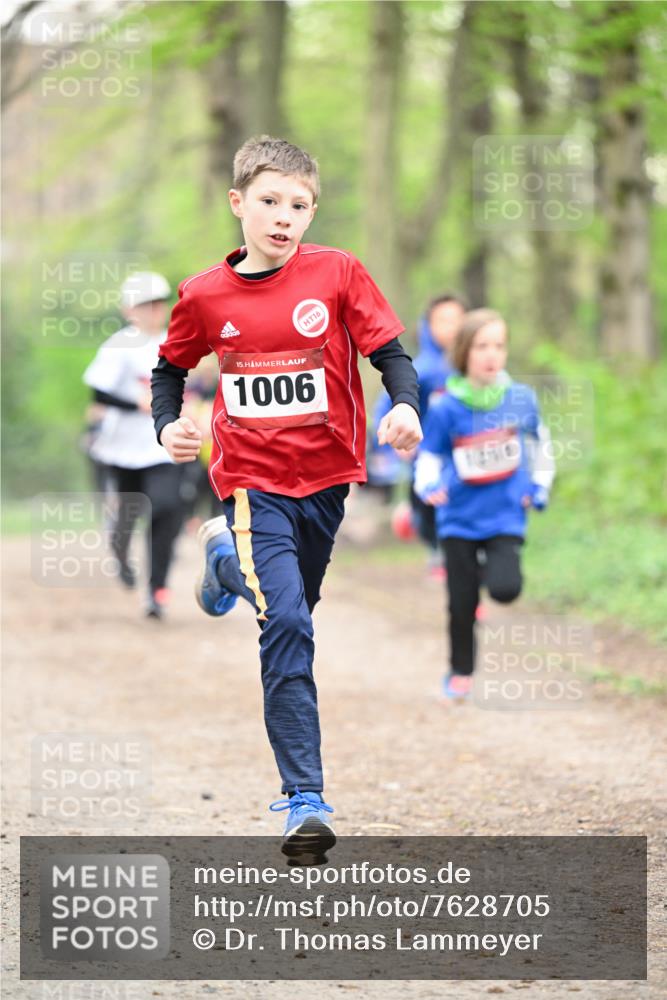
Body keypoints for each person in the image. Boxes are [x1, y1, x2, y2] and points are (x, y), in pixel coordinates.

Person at [150, 136, 422, 861]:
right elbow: (169, 370)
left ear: (312, 212)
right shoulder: (205, 294)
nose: (283, 217)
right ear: (238, 202)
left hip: (328, 480)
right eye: (269, 201)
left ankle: (223, 562)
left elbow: (391, 354)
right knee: (290, 625)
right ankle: (305, 799)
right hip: (250, 481)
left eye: (298, 205)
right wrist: (170, 425)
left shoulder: (337, 273)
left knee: (294, 602)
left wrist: (405, 407)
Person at [414, 308, 555, 700]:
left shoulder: (521, 399)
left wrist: (540, 486)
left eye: (499, 346)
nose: (492, 355)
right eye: (482, 347)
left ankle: (487, 578)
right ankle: (460, 671)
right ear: (464, 353)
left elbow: (540, 446)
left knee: (506, 588)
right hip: (458, 518)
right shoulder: (445, 406)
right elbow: (430, 456)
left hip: (506, 511)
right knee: (461, 604)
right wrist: (428, 487)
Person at [83, 271, 184, 619]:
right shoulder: (119, 345)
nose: (153, 310)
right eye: (145, 304)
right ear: (129, 310)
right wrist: (136, 405)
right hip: (122, 446)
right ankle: (120, 548)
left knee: (167, 508)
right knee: (129, 512)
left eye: (158, 303)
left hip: (162, 445)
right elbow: (98, 391)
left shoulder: (175, 342)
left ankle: (157, 589)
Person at [370, 294, 467, 571]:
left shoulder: (475, 369)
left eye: (459, 320)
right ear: (428, 326)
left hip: (464, 454)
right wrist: (395, 445)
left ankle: (462, 549)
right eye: (444, 321)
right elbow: (385, 407)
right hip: (425, 456)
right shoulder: (420, 370)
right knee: (426, 505)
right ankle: (425, 533)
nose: (452, 327)